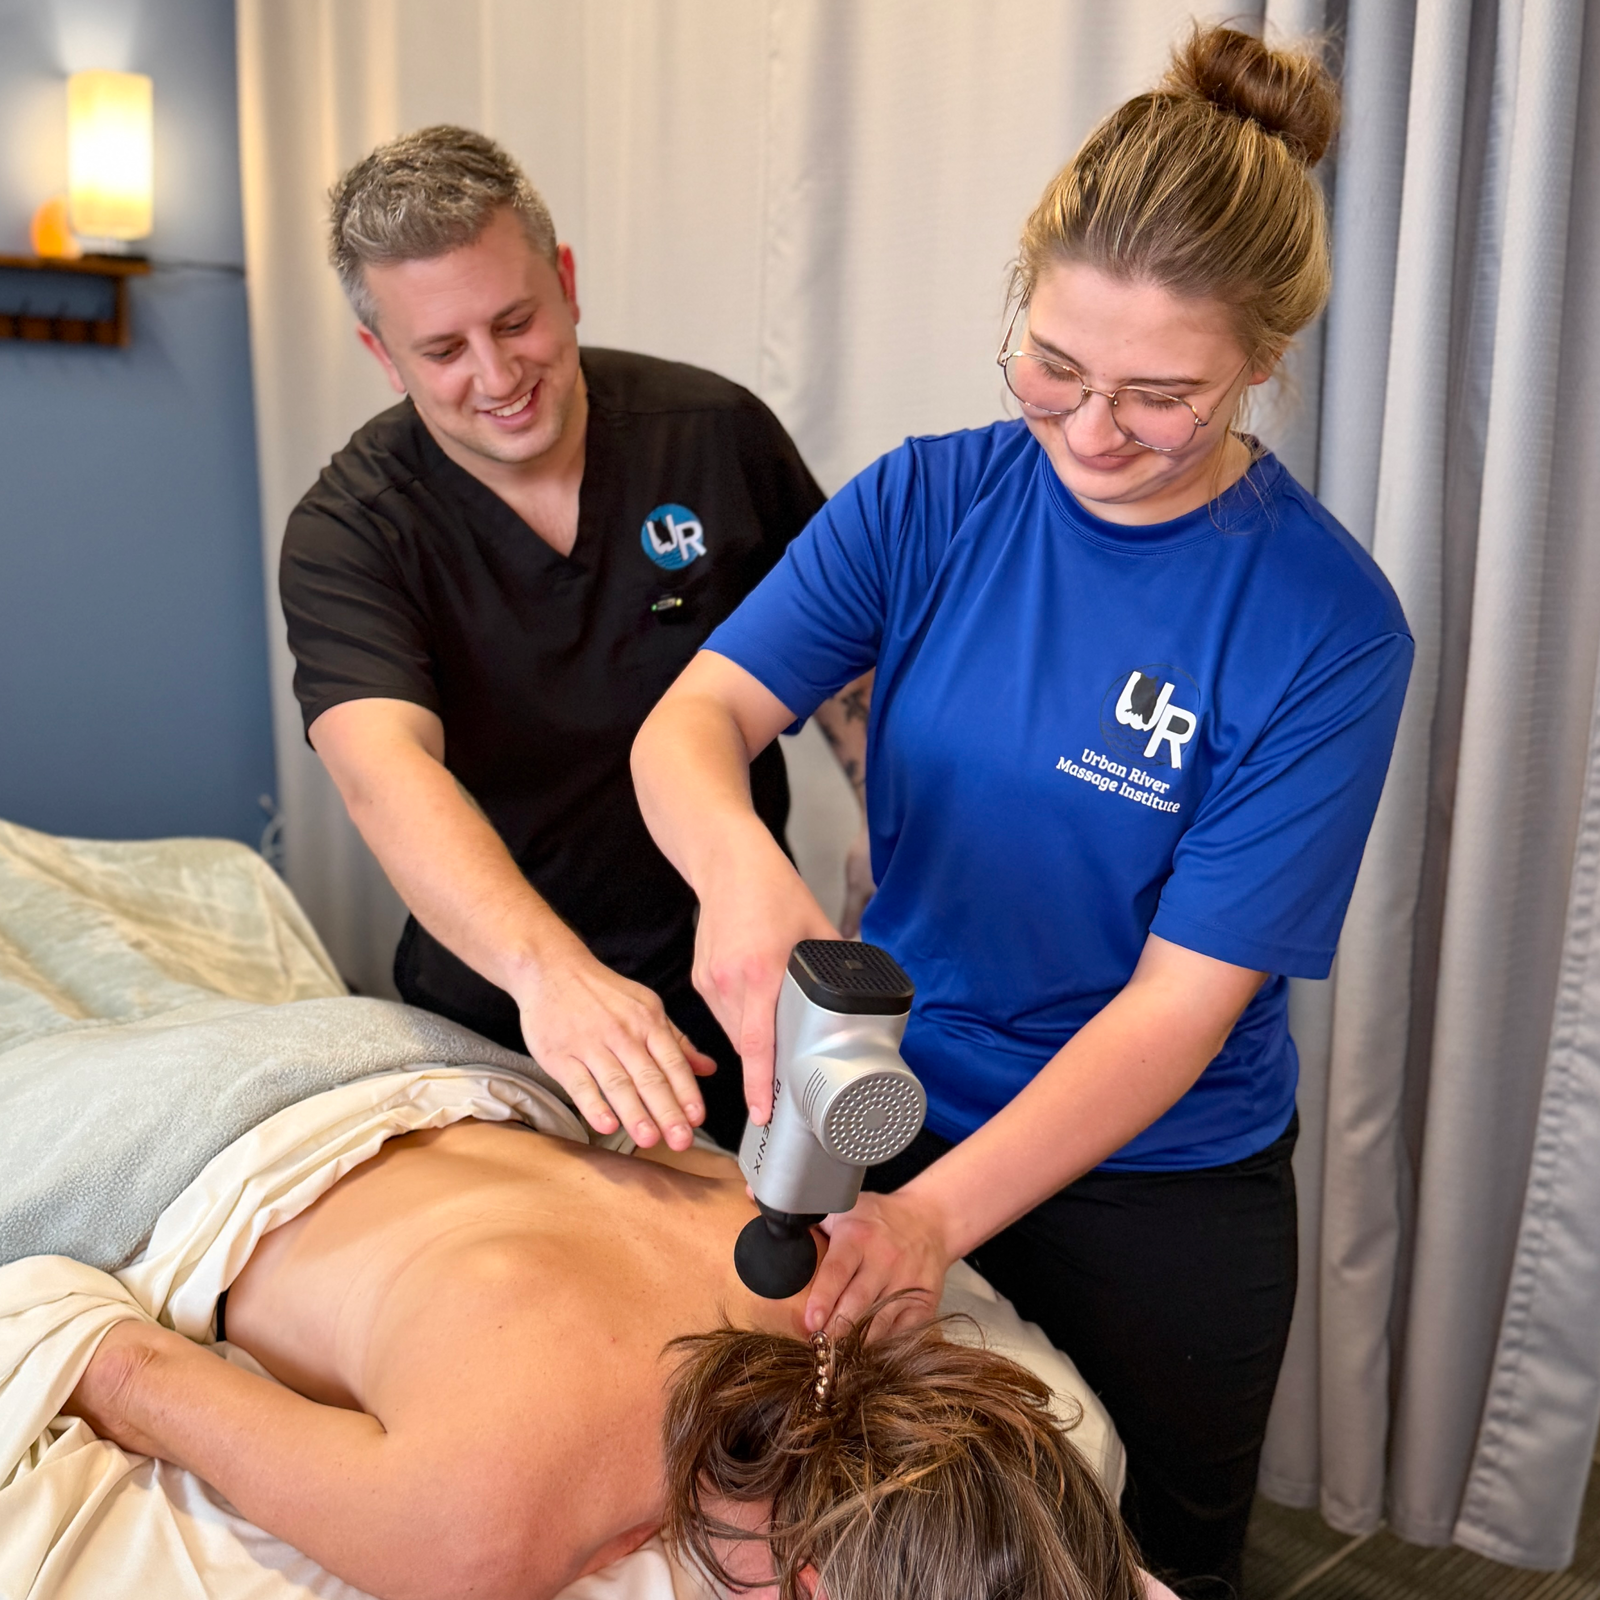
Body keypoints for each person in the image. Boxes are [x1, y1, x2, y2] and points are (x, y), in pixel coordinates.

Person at [631, 26, 1413, 1598]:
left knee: (1125, 1560)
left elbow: (1178, 1009)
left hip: (1154, 1183)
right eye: (1053, 366)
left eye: (1162, 396)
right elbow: (694, 720)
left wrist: (933, 1225)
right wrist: (742, 879)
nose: (1091, 432)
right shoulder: (934, 498)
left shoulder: (1326, 628)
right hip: (887, 1096)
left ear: (1264, 361)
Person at [279, 126, 868, 1156]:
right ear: (382, 356)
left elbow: (847, 680)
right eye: (444, 350)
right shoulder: (352, 531)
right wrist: (549, 974)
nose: (497, 373)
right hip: (501, 1009)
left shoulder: (713, 432)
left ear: (566, 281)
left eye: (516, 321)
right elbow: (385, 775)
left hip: (735, 986)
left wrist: (888, 858)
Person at [63, 1117, 1153, 1600]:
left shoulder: (839, 1290)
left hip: (412, 1064)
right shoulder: (480, 1531)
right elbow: (120, 1368)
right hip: (178, 1134)